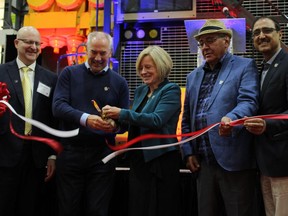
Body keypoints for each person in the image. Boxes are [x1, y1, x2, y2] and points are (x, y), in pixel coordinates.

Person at [180, 19, 260, 216]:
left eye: (210, 40)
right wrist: (187, 150)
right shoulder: (193, 76)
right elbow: (187, 117)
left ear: (226, 40)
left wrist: (232, 118)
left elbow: (249, 102)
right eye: (201, 43)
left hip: (234, 160)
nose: (205, 47)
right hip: (203, 162)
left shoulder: (245, 66)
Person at [52, 31, 130, 216]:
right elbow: (58, 107)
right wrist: (86, 119)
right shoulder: (69, 74)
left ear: (110, 52)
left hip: (102, 156)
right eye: (93, 52)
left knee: (98, 210)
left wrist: (115, 126)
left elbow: (125, 122)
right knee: (68, 209)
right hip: (70, 152)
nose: (98, 58)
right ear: (85, 50)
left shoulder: (120, 83)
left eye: (103, 53)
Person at [102, 45, 182, 216]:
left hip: (161, 160)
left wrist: (121, 113)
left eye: (148, 67)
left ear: (160, 66)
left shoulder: (171, 90)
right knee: (138, 206)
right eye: (141, 68)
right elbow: (135, 122)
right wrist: (115, 123)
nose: (143, 72)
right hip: (139, 160)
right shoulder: (140, 90)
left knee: (161, 207)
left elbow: (156, 120)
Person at [0, 26, 58, 216]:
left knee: (30, 207)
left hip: (37, 158)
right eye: (28, 42)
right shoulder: (1, 73)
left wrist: (52, 156)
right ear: (17, 43)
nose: (33, 47)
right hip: (5, 154)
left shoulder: (51, 79)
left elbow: (52, 120)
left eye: (37, 43)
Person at [244, 16, 288, 216]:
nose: (261, 36)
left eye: (267, 31)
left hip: (283, 160)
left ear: (280, 34)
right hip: (263, 162)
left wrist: (267, 124)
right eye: (256, 33)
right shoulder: (259, 68)